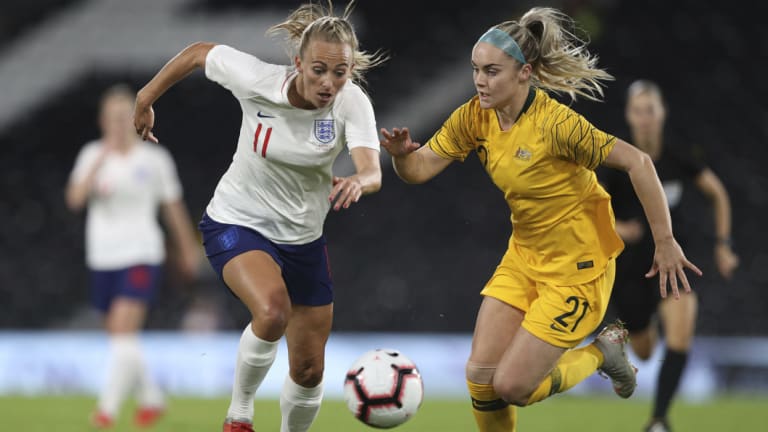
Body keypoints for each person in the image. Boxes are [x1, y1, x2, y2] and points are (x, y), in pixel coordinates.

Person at [379, 7, 702, 432]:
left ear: (524, 73)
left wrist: (665, 241)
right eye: (476, 69)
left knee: (511, 386)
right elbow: (420, 169)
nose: (480, 80)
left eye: (492, 71)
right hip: (525, 258)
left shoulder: (558, 126)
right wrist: (402, 157)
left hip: (577, 271)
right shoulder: (475, 116)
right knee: (480, 378)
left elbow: (640, 162)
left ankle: (603, 353)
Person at [132, 2, 386, 431]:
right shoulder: (257, 80)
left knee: (309, 372)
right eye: (319, 70)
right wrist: (144, 99)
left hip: (303, 239)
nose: (329, 83)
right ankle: (240, 416)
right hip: (237, 221)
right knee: (271, 311)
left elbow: (372, 170)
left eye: (339, 72)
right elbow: (197, 52)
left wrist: (360, 181)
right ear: (298, 62)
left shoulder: (350, 103)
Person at [598, 80, 738, 432]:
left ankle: (658, 420)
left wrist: (723, 243)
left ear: (661, 114)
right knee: (644, 351)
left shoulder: (678, 156)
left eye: (651, 110)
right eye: (638, 111)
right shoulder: (617, 161)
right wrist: (618, 230)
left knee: (680, 334)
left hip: (673, 262)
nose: (645, 118)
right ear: (629, 116)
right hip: (631, 271)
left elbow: (717, 193)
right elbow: (589, 211)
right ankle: (632, 340)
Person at [65, 84, 201, 428]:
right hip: (102, 257)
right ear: (102, 121)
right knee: (119, 337)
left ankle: (105, 411)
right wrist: (100, 159)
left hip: (142, 252)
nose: (118, 124)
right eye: (111, 118)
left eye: (124, 117)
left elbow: (173, 208)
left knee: (124, 330)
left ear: (136, 119)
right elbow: (75, 200)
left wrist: (188, 249)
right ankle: (151, 397)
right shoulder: (91, 155)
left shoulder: (154, 159)